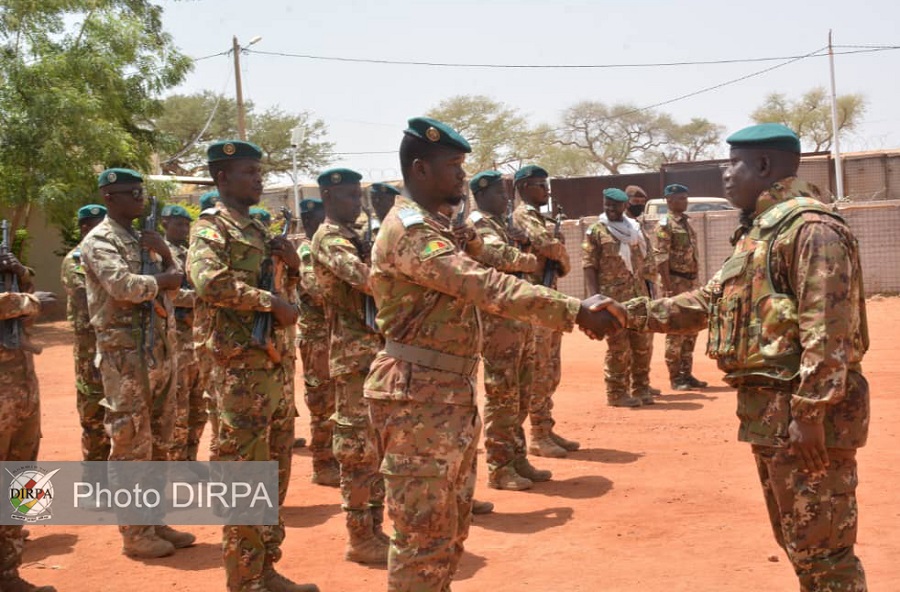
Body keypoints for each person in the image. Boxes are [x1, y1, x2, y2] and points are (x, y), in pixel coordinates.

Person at [595, 123, 869, 592]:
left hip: (805, 425)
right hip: (772, 418)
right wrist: (627, 313)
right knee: (800, 545)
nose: (724, 175)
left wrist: (810, 412)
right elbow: (707, 302)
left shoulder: (810, 228)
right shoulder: (761, 232)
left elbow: (829, 330)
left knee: (826, 556)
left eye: (732, 164)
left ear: (763, 166)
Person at [363, 116, 624, 592]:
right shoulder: (411, 230)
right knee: (422, 538)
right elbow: (482, 283)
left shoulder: (447, 226)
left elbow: (496, 262)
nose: (462, 176)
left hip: (446, 391)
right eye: (454, 166)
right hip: (415, 397)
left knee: (447, 534)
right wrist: (574, 310)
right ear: (421, 170)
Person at [189, 140, 316, 592]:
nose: (258, 179)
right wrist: (269, 301)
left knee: (275, 470)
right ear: (222, 178)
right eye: (249, 172)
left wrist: (293, 265)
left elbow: (287, 288)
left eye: (259, 172)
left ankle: (265, 568)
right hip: (238, 373)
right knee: (244, 473)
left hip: (275, 369)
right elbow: (207, 282)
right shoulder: (211, 229)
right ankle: (244, 580)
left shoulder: (260, 230)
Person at [79, 168, 195, 558]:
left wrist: (163, 256)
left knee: (161, 442)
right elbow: (124, 287)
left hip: (160, 351)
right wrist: (165, 279)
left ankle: (154, 520)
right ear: (109, 198)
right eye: (131, 192)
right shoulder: (100, 240)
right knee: (131, 444)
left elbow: (177, 288)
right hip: (124, 358)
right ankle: (134, 531)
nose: (140, 198)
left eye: (141, 192)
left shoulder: (144, 238)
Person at [311, 168, 388, 565]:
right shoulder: (328, 238)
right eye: (347, 196)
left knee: (376, 446)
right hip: (354, 357)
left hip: (374, 353)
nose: (355, 203)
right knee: (358, 449)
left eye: (358, 196)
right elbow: (365, 279)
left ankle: (375, 528)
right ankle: (359, 537)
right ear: (327, 197)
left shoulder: (356, 237)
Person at [467, 170, 551, 491]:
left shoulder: (503, 224)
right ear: (483, 195)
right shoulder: (480, 224)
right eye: (501, 195)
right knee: (502, 392)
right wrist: (530, 261)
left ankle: (517, 457)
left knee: (521, 390)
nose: (507, 200)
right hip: (497, 319)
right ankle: (500, 466)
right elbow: (494, 254)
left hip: (518, 315)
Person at [0, 252, 59, 592]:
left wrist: (19, 273)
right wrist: (30, 300)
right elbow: (33, 306)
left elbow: (24, 321)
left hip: (21, 391)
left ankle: (8, 574)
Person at [512, 164, 579, 458]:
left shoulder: (543, 218)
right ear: (525, 186)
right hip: (534, 302)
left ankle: (546, 427)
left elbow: (561, 260)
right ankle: (537, 435)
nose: (547, 190)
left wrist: (558, 251)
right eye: (541, 185)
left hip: (549, 299)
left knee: (551, 368)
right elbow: (547, 246)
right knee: (539, 369)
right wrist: (557, 250)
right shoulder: (523, 215)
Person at [582, 188, 655, 407]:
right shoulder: (596, 231)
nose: (610, 209)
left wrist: (652, 293)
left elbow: (648, 262)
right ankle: (616, 392)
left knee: (643, 344)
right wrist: (595, 297)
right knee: (618, 347)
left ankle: (641, 388)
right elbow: (588, 265)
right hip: (611, 299)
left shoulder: (635, 230)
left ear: (625, 206)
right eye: (607, 205)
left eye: (614, 205)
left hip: (638, 296)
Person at [295, 196, 340, 487]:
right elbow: (317, 290)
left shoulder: (331, 247)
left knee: (340, 401)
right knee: (322, 402)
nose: (314, 224)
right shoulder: (305, 253)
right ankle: (323, 464)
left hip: (335, 336)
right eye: (309, 220)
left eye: (318, 218)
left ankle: (336, 457)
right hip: (316, 339)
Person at [60, 204, 110, 463]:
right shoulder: (75, 260)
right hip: (89, 349)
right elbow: (84, 297)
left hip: (113, 346)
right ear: (84, 228)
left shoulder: (111, 255)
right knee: (93, 413)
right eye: (97, 225)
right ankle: (94, 481)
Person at [161, 204, 207, 461]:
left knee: (198, 407)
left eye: (186, 224)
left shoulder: (191, 252)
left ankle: (190, 457)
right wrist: (202, 298)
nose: (183, 228)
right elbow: (171, 293)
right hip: (177, 340)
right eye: (178, 223)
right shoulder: (160, 255)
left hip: (197, 340)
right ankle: (176, 461)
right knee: (178, 405)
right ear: (164, 224)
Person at [654, 183, 707, 391]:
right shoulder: (665, 224)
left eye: (685, 198)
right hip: (675, 282)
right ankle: (675, 377)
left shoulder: (686, 222)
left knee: (692, 327)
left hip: (691, 282)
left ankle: (687, 373)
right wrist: (668, 288)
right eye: (680, 198)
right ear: (668, 200)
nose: (684, 202)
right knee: (676, 330)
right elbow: (661, 258)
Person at [624, 185, 661, 399]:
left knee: (645, 340)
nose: (639, 206)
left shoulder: (637, 226)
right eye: (635, 202)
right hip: (629, 290)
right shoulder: (621, 226)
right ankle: (628, 385)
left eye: (642, 202)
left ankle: (642, 383)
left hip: (645, 287)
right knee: (628, 342)